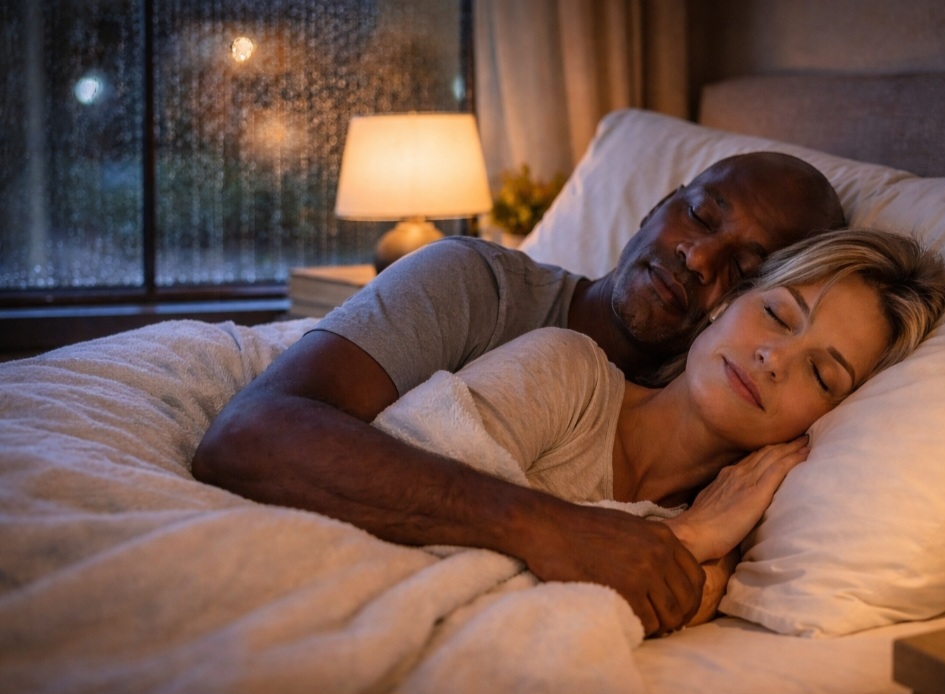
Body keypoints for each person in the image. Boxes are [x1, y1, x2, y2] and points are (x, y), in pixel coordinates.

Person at [192, 151, 846, 636]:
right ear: (656, 207)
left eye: (744, 270)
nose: (700, 259)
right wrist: (546, 525)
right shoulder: (474, 284)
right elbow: (247, 436)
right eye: (700, 217)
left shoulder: (721, 426)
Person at [369, 228, 945, 626]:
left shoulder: (720, 557)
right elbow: (379, 501)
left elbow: (537, 626)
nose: (775, 360)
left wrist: (698, 539)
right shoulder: (566, 372)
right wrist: (688, 539)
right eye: (776, 314)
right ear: (727, 304)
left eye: (822, 376)